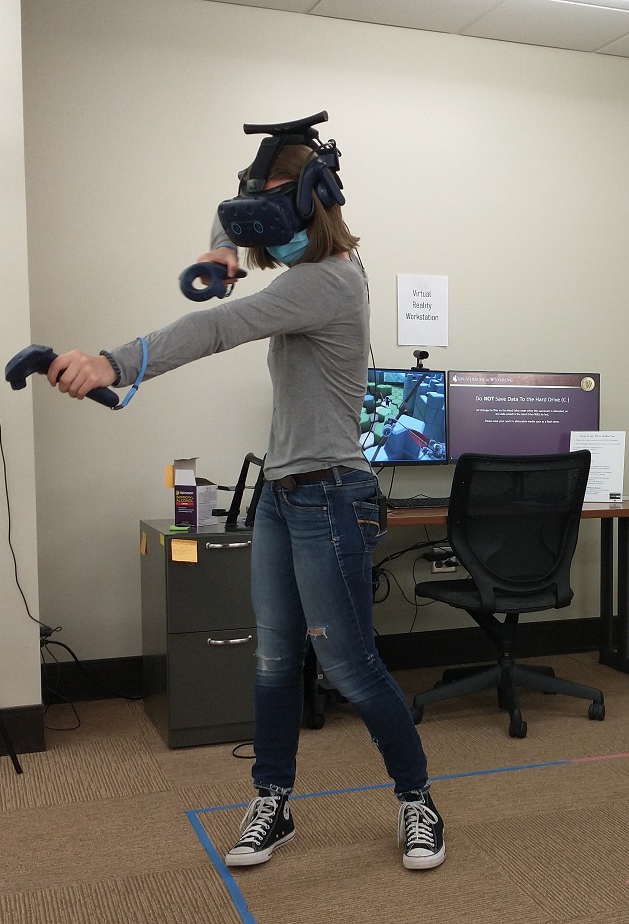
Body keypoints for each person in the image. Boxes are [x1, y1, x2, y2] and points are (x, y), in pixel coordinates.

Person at [47, 116, 446, 872]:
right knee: (271, 659)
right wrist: (222, 247)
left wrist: (111, 363)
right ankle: (274, 801)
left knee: (353, 669)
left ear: (311, 203)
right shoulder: (307, 270)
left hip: (334, 498)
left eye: (271, 202)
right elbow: (229, 220)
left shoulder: (326, 282)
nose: (258, 219)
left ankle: (417, 800)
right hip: (283, 493)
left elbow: (219, 328)